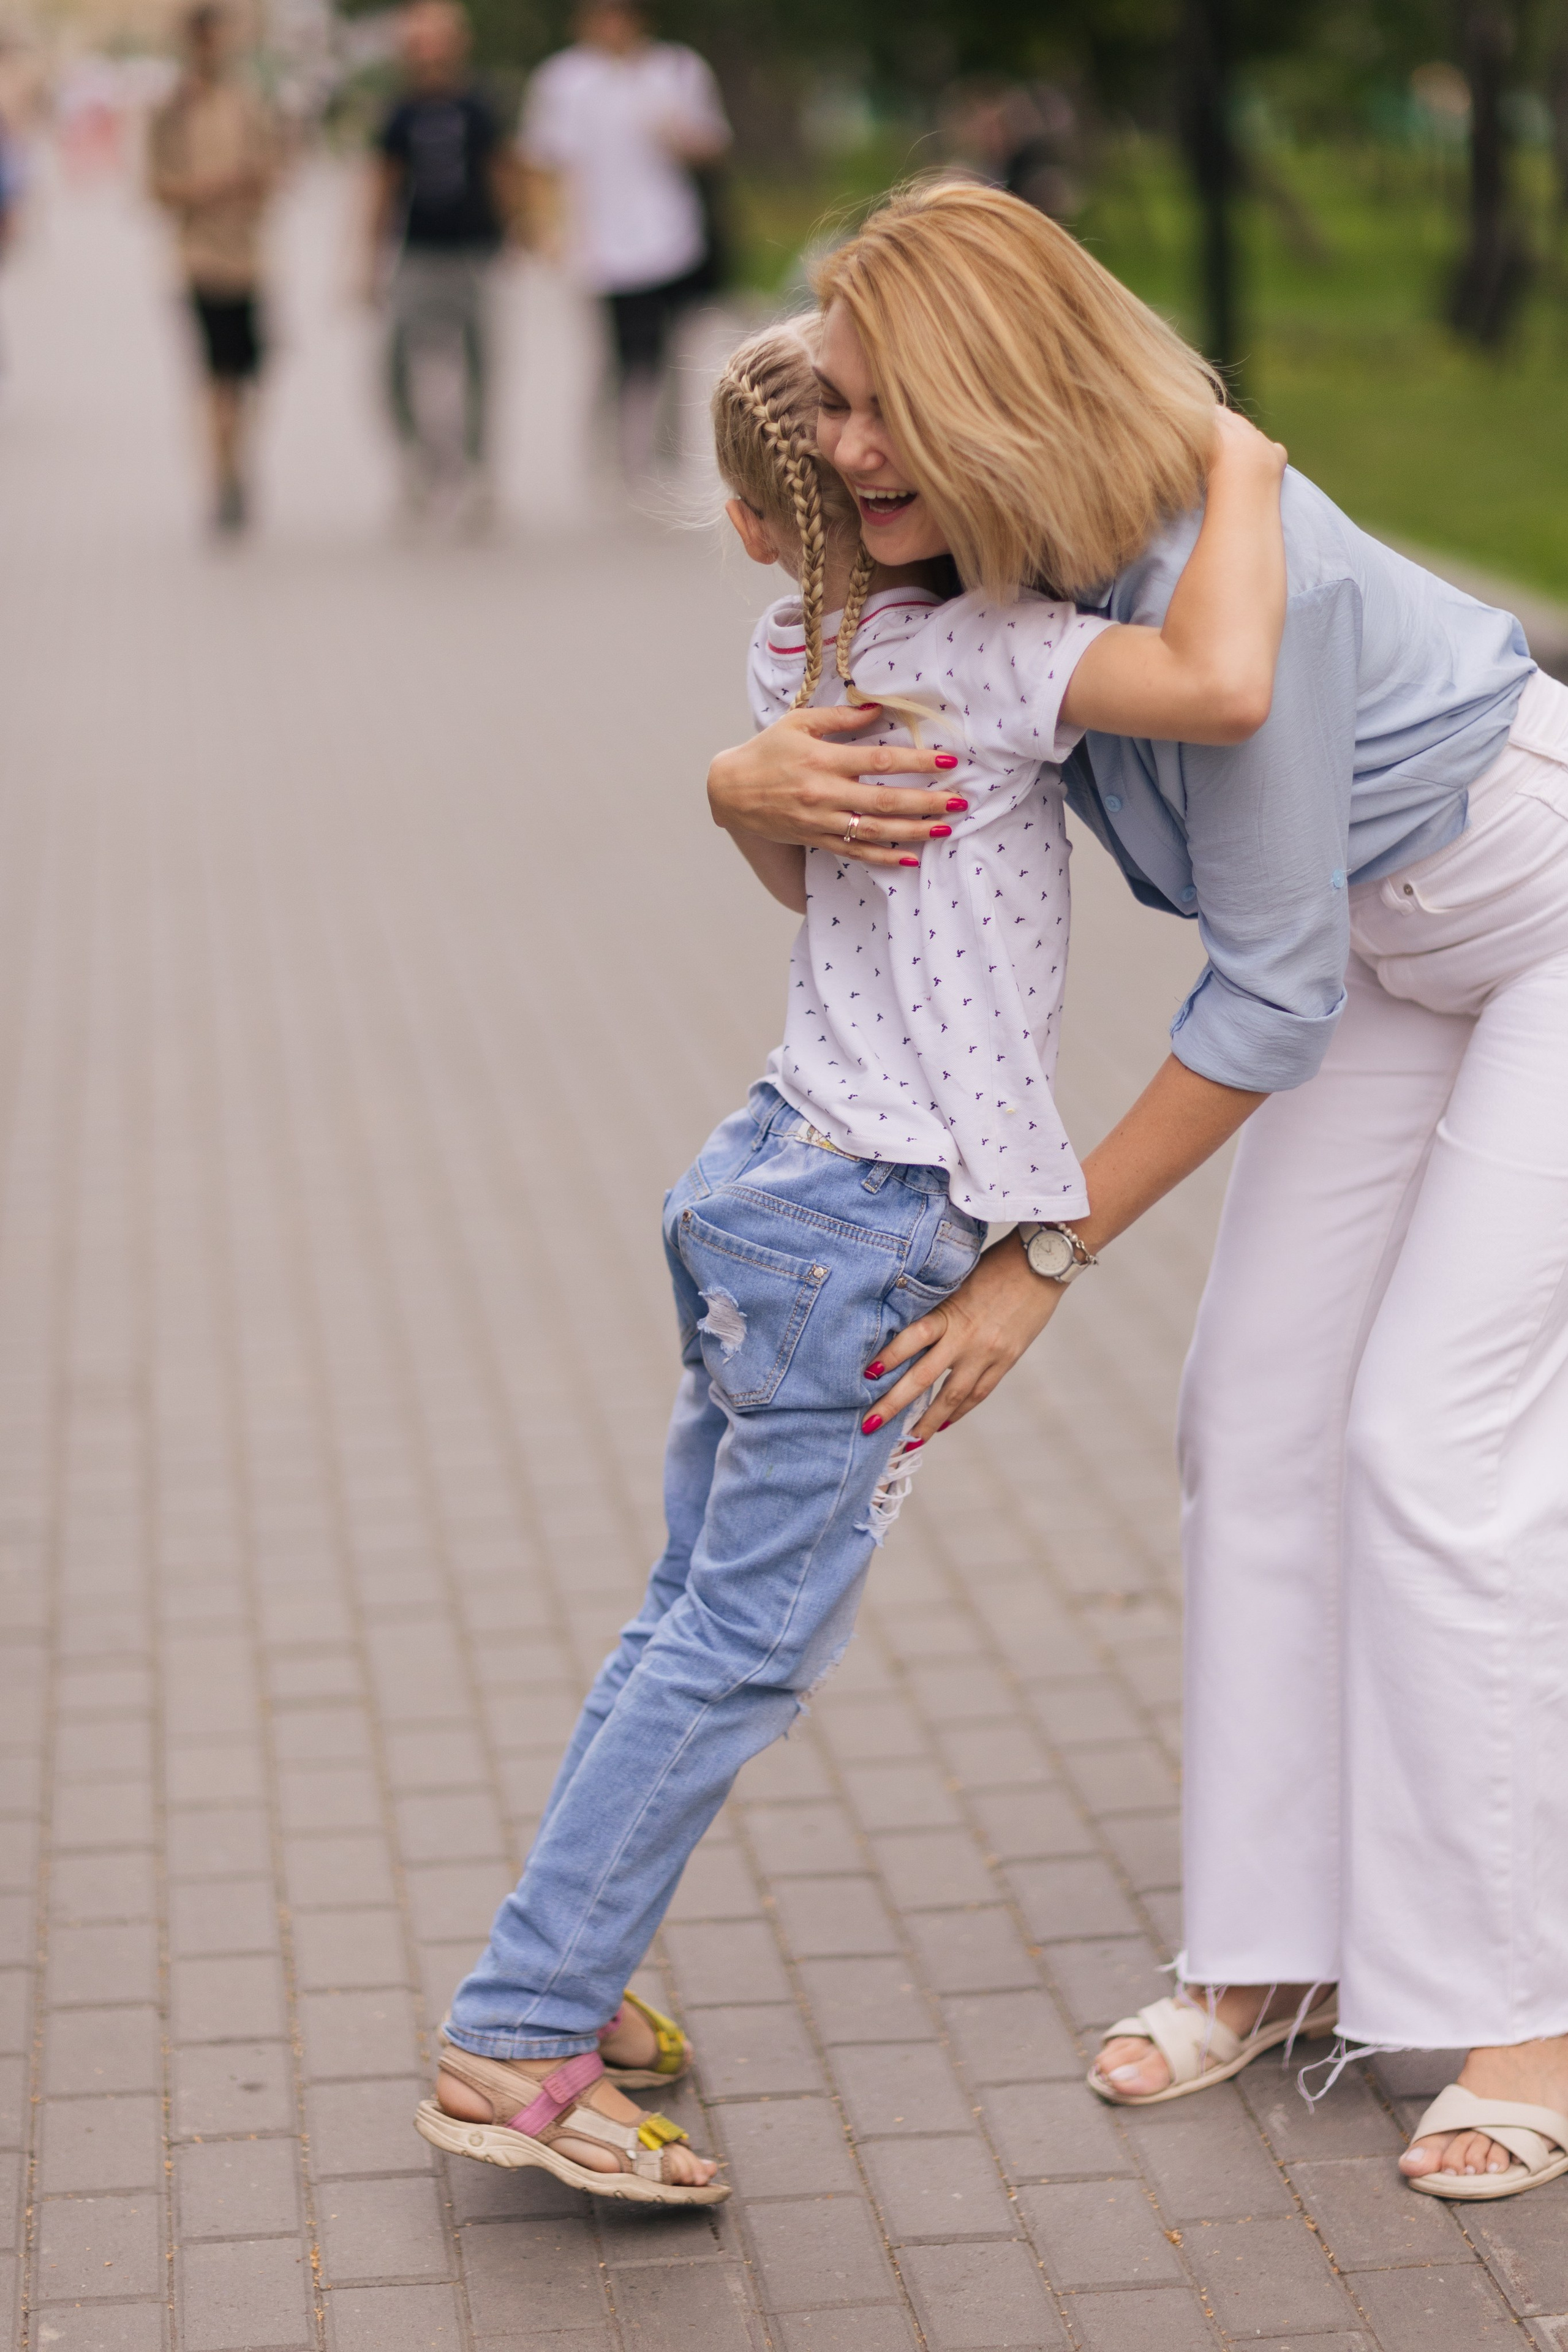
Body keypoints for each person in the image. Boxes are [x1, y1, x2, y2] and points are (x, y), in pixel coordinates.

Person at [706, 181, 1568, 2204]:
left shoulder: (1203, 562)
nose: (846, 453)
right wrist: (729, 783)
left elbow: (1259, 993)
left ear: (999, 392)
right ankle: (1275, 1956)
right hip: (1362, 956)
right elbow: (871, 871)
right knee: (1252, 1421)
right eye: (829, 406)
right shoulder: (990, 588)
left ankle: (1522, 1997)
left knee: (1429, 1443)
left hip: (1533, 921)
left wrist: (1039, 1257)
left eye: (883, 408)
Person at [412, 311, 1291, 2204]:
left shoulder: (792, 644)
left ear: (749, 531)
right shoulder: (980, 654)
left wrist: (733, 780)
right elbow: (1223, 683)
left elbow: (807, 858)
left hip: (765, 1175)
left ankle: (572, 1946)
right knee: (739, 1643)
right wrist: (1232, 459)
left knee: (685, 1614)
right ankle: (520, 2028)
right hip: (868, 1221)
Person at [519, 1, 729, 489]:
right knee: (616, 354)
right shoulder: (563, 80)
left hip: (672, 235)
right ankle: (612, 454)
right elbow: (542, 160)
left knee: (671, 350)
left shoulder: (678, 70)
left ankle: (663, 456)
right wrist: (546, 227)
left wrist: (683, 139)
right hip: (600, 243)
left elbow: (714, 144)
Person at [369, 1, 517, 522]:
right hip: (417, 253)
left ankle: (477, 471)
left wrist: (523, 231)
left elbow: (502, 171)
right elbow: (381, 187)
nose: (429, 51)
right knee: (394, 363)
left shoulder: (480, 106)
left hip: (474, 251)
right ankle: (421, 459)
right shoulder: (398, 112)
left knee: (481, 363)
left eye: (439, 38)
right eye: (420, 41)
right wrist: (366, 261)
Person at [148, 5, 281, 533]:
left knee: (246, 380)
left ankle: (236, 465)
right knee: (215, 381)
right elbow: (155, 190)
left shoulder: (248, 105)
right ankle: (220, 478)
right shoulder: (172, 110)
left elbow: (270, 178)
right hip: (198, 261)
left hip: (248, 261)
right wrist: (213, 186)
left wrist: (252, 183)